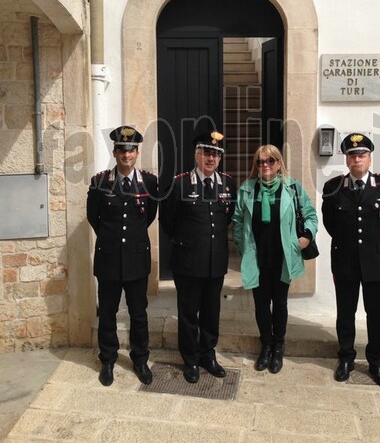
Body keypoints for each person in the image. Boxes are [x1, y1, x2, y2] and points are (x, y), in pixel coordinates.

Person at [321, 133, 380, 387]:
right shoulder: (333, 187)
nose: (357, 159)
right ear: (346, 159)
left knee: (377, 315)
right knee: (345, 313)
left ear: (369, 158)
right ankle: (346, 358)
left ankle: (376, 362)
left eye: (362, 154)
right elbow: (330, 224)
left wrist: (372, 245)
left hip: (377, 262)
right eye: (352, 155)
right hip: (345, 261)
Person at [232, 145, 318, 373]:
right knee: (261, 304)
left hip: (282, 258)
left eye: (270, 161)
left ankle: (279, 347)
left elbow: (310, 215)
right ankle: (266, 346)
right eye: (260, 162)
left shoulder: (292, 187)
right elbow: (238, 221)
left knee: (280, 303)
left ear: (279, 163)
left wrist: (306, 237)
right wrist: (243, 248)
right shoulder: (248, 189)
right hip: (257, 257)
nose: (265, 166)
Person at [160, 131, 236, 384]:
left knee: (212, 312)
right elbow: (168, 221)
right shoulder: (180, 183)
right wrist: (188, 243)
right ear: (196, 155)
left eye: (216, 153)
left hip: (215, 262)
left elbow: (227, 218)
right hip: (188, 262)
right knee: (188, 313)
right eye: (206, 152)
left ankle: (208, 355)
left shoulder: (227, 184)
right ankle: (190, 359)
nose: (211, 158)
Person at [87, 126, 158, 387]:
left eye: (131, 150)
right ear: (115, 152)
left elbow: (149, 216)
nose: (126, 154)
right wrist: (113, 240)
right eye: (122, 149)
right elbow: (93, 217)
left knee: (139, 313)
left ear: (137, 152)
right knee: (107, 312)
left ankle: (140, 359)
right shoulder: (99, 182)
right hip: (108, 260)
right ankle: (107, 359)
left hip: (137, 260)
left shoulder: (149, 183)